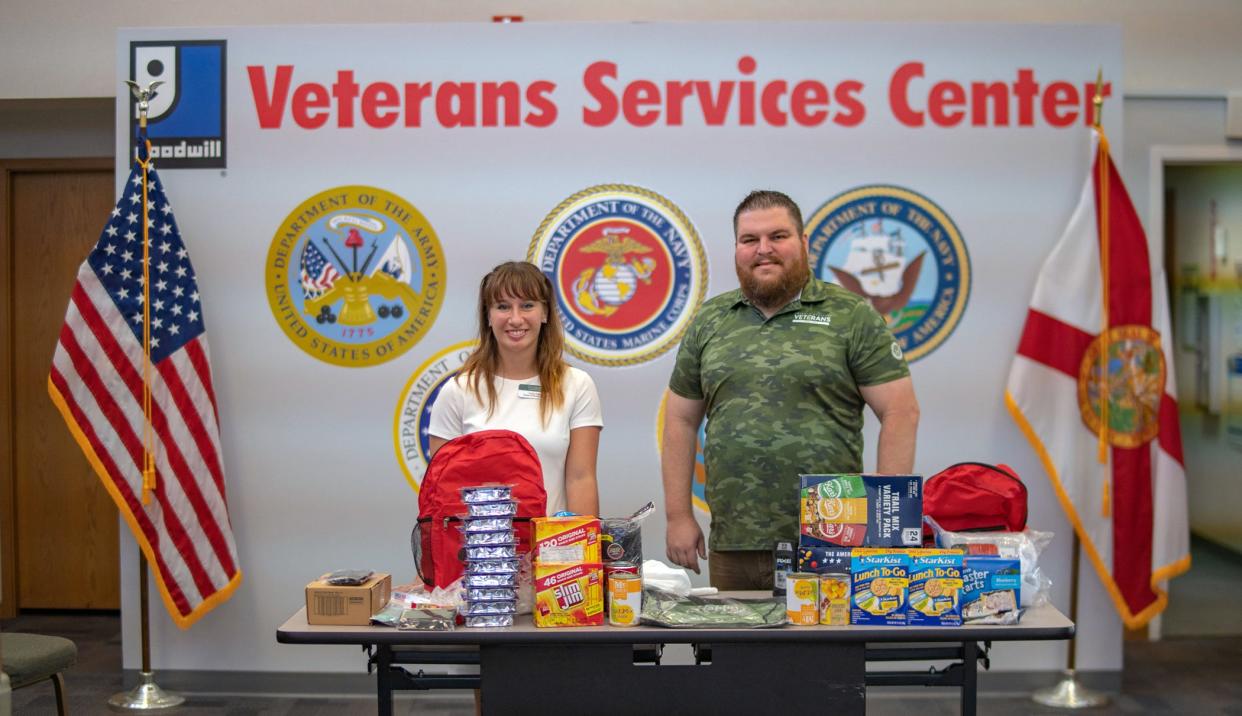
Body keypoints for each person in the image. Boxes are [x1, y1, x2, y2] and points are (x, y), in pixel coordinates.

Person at [662, 190, 920, 590]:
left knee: (823, 654)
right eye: (750, 240)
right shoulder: (711, 319)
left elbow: (901, 412)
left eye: (777, 237)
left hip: (831, 541)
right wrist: (678, 516)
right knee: (737, 652)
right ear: (737, 248)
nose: (763, 250)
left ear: (803, 243)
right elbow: (680, 419)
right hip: (734, 541)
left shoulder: (851, 316)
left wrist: (884, 529)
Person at [428, 261, 602, 515]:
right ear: (488, 315)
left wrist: (581, 551)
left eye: (527, 305)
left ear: (545, 314)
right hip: (479, 551)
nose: (516, 318)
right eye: (503, 307)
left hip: (553, 551)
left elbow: (581, 479)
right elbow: (444, 491)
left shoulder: (577, 385)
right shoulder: (457, 391)